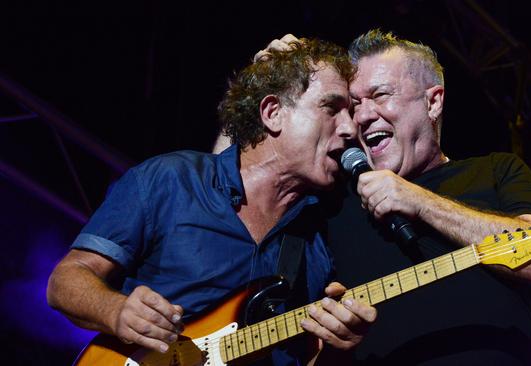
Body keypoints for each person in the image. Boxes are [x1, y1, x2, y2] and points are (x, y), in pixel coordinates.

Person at [46, 38, 376, 366]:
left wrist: (337, 347)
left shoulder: (322, 235)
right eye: (331, 108)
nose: (349, 128)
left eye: (350, 113)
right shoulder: (171, 180)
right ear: (273, 113)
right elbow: (66, 281)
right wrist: (115, 310)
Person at [248, 30, 531, 365]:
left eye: (380, 95)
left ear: (433, 101)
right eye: (355, 105)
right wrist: (262, 84)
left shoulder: (497, 170)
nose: (363, 116)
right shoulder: (334, 203)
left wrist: (418, 201)